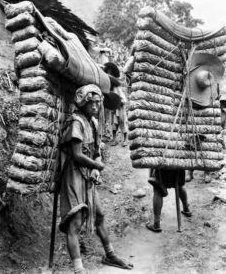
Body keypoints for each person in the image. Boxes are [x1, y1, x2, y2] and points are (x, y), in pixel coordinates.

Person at [58, 84, 133, 273]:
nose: (95, 107)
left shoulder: (93, 123)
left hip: (88, 176)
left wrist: (96, 166)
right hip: (73, 175)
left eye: (98, 103)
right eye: (91, 103)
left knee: (99, 215)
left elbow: (96, 151)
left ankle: (110, 254)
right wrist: (96, 165)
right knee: (75, 222)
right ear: (82, 103)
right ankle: (79, 268)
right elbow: (76, 155)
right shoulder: (76, 122)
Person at [147, 168, 192, 232]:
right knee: (179, 186)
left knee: (157, 190)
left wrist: (151, 174)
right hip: (178, 165)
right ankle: (186, 209)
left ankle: (156, 224)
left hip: (163, 168)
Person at [103, 62, 128, 147]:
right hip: (114, 104)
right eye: (108, 71)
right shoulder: (108, 82)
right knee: (114, 122)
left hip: (120, 103)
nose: (109, 73)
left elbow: (120, 94)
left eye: (110, 72)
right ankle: (114, 139)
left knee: (122, 120)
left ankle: (125, 139)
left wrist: (120, 102)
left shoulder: (116, 82)